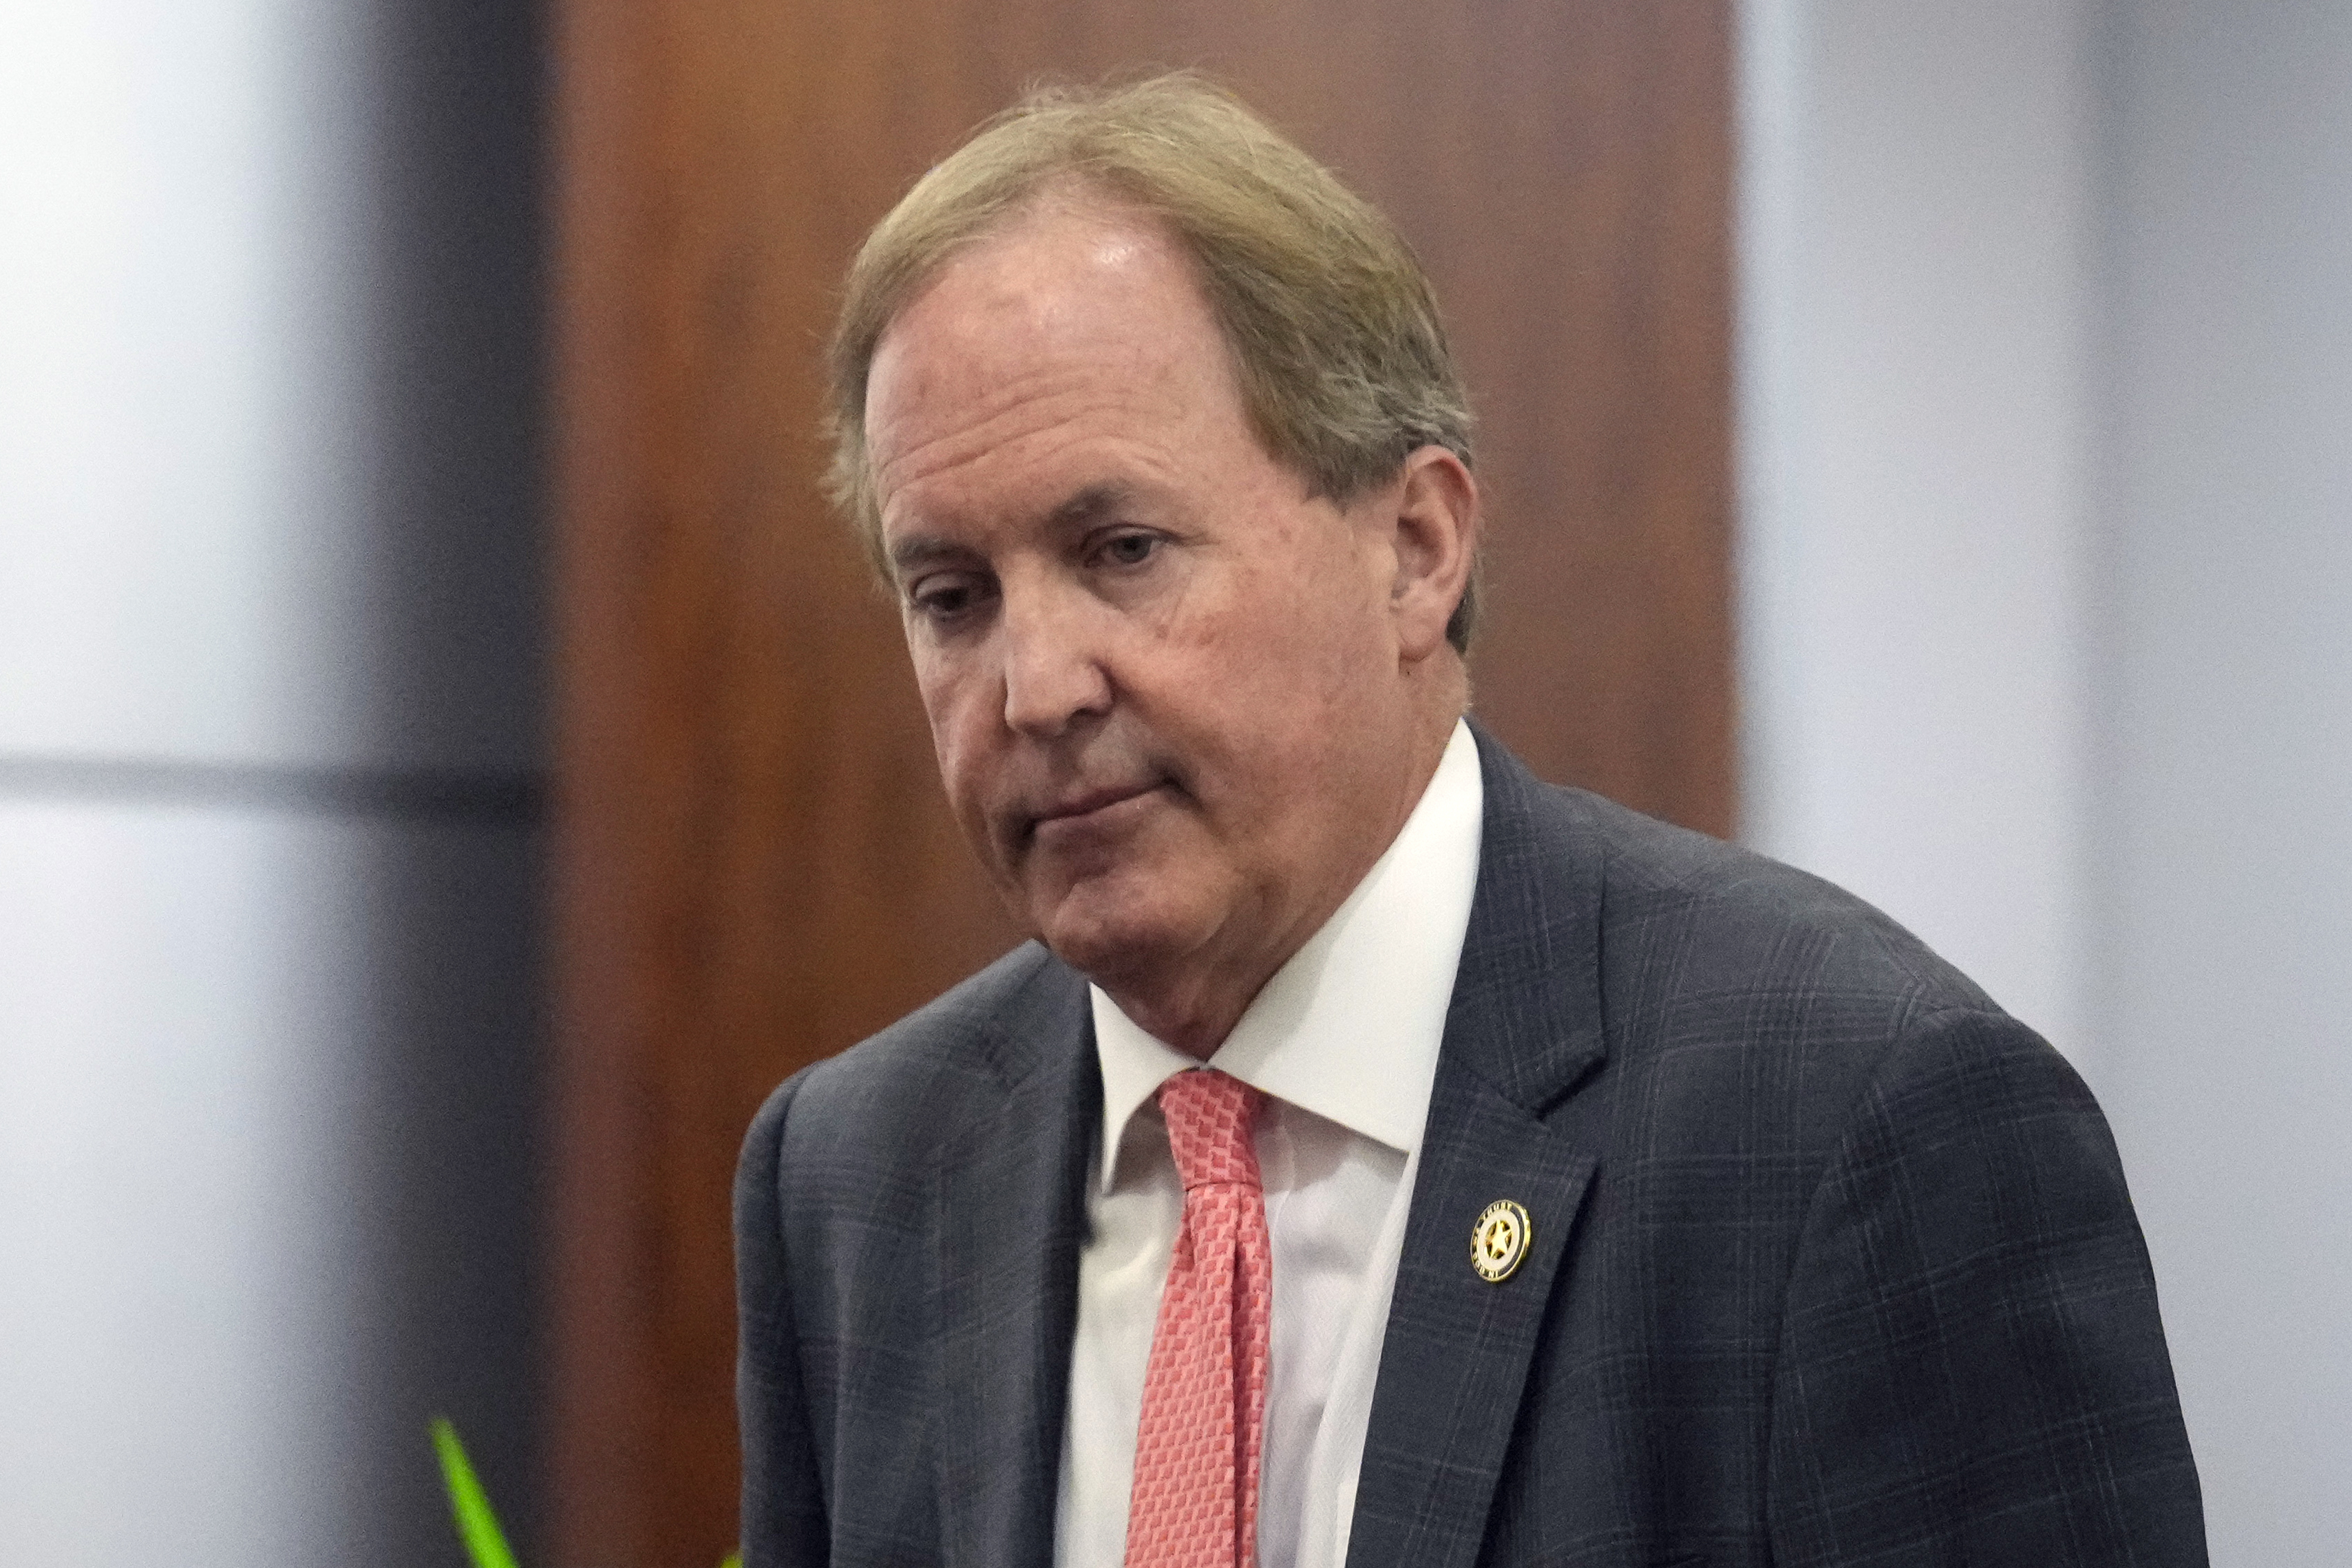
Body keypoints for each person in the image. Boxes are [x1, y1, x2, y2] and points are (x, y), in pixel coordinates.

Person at [734, 74, 2205, 1568]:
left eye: (1121, 550)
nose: (1032, 687)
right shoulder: (861, 1175)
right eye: (951, 598)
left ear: (1413, 549)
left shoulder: (1848, 1121)